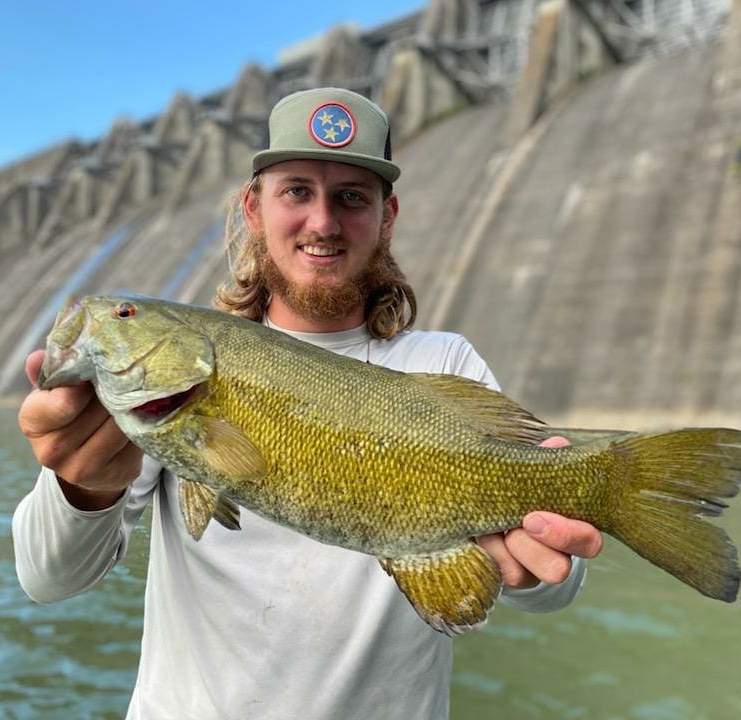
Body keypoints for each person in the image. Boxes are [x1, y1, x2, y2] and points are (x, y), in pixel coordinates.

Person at [13, 88, 603, 719]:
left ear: (388, 214)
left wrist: (546, 570)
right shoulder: (174, 385)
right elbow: (48, 579)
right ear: (253, 207)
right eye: (297, 190)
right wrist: (82, 491)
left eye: (351, 197)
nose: (323, 222)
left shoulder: (445, 364)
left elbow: (545, 592)